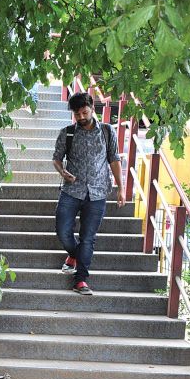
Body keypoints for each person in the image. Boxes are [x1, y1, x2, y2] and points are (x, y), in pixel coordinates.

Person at [52, 92, 126, 295]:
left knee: (88, 238)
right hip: (71, 191)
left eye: (84, 112)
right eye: (77, 114)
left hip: (98, 192)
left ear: (93, 108)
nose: (81, 117)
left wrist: (121, 188)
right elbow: (57, 158)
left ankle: (80, 279)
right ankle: (75, 255)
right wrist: (62, 171)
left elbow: (114, 159)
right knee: (62, 230)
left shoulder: (107, 131)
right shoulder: (67, 133)